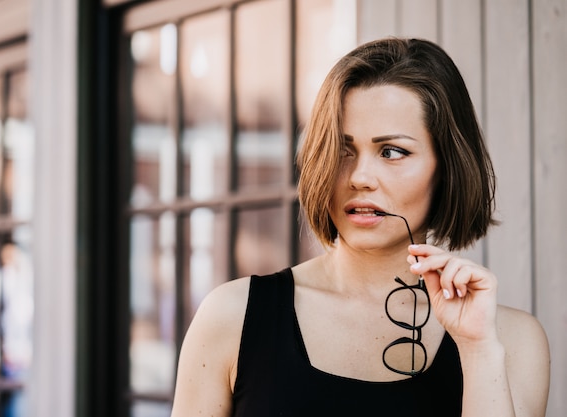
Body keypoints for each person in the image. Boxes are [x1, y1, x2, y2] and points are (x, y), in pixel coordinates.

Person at [170, 38, 550, 416]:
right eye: (342, 150)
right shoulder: (233, 317)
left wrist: (478, 350)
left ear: (447, 167)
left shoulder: (512, 340)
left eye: (392, 152)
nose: (360, 177)